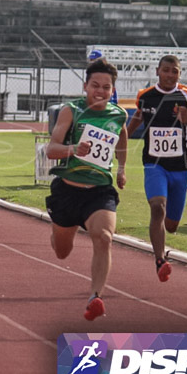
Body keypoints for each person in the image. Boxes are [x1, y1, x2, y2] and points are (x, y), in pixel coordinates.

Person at [45, 59, 128, 321]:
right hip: (68, 191)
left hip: (99, 191)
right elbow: (50, 149)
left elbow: (122, 138)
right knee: (62, 251)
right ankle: (58, 231)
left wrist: (122, 168)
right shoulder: (72, 111)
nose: (100, 91)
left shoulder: (119, 114)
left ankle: (95, 297)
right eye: (95, 86)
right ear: (85, 86)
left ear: (112, 90)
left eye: (106, 87)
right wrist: (73, 150)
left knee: (104, 238)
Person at [125, 55, 187, 283]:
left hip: (181, 167)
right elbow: (137, 118)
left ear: (179, 74)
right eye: (166, 70)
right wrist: (121, 137)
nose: (170, 75)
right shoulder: (146, 97)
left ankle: (161, 234)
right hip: (154, 165)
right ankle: (160, 260)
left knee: (171, 225)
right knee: (157, 207)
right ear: (158, 71)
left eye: (174, 71)